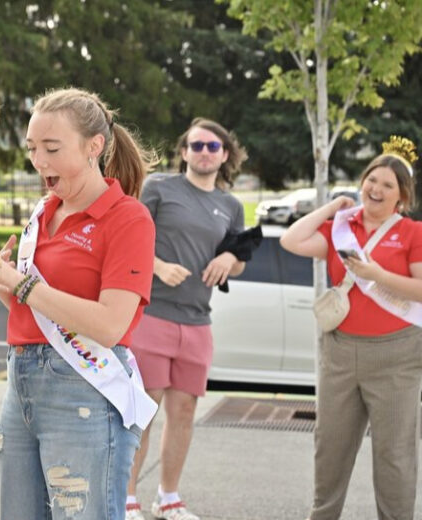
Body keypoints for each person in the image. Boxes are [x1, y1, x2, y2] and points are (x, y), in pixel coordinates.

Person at [0, 87, 159, 520]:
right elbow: (42, 316)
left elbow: (111, 325)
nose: (39, 161)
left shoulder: (128, 217)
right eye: (33, 148)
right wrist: (4, 288)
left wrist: (21, 287)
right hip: (21, 379)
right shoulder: (41, 214)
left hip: (84, 392)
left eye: (52, 148)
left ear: (94, 146)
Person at [280, 137, 422, 520]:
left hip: (397, 355)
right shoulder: (341, 227)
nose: (376, 189)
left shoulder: (412, 233)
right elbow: (291, 240)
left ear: (401, 198)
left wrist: (377, 274)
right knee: (332, 446)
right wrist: (332, 206)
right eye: (371, 180)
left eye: (387, 185)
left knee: (394, 453)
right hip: (340, 350)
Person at [125, 118, 248, 520]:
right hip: (153, 316)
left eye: (213, 147)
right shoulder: (159, 187)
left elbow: (239, 257)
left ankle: (169, 498)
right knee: (144, 410)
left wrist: (231, 257)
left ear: (225, 155)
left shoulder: (231, 206)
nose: (205, 153)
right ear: (184, 151)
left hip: (198, 322)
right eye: (197, 146)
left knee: (183, 413)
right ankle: (126, 499)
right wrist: (158, 266)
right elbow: (129, 237)